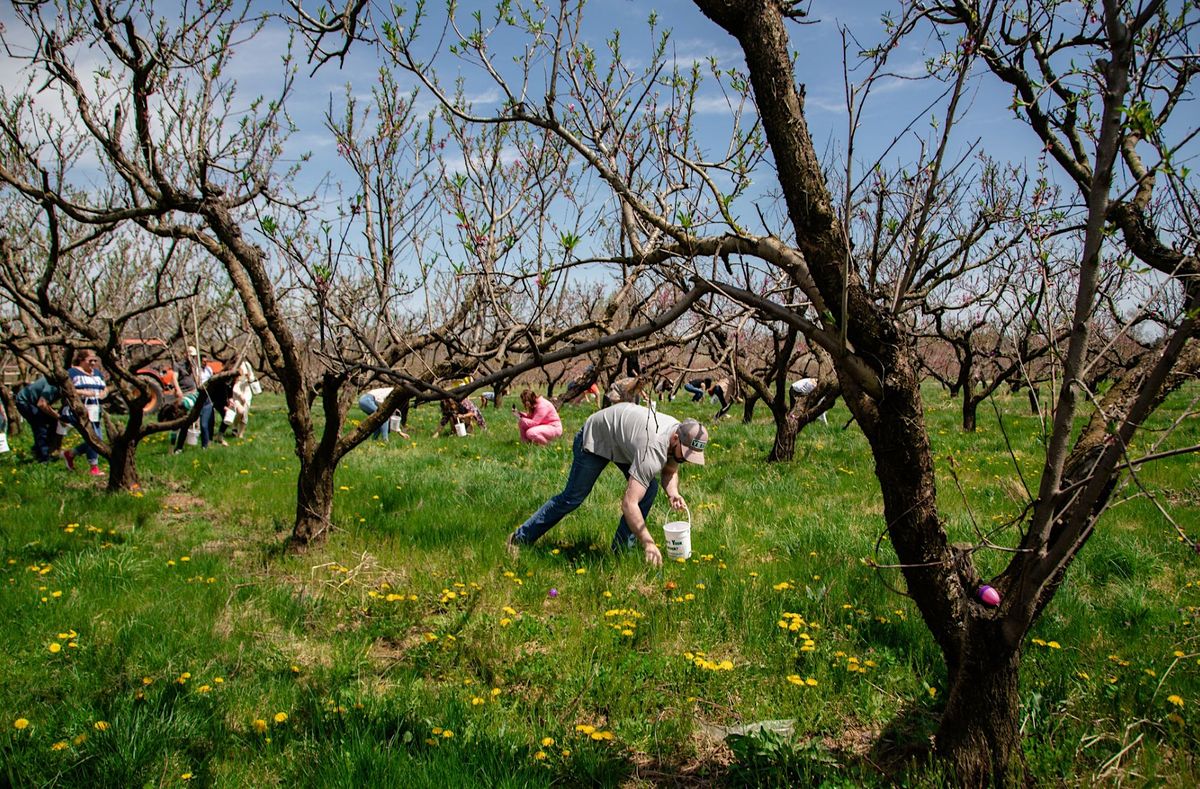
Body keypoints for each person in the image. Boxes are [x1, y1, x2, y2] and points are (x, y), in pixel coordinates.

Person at [507, 403, 709, 567]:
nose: (687, 459)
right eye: (686, 453)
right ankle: (520, 538)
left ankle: (620, 550)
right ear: (675, 439)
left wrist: (673, 493)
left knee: (650, 490)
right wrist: (648, 542)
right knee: (572, 498)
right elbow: (629, 503)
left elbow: (670, 469)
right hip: (598, 436)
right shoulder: (654, 447)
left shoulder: (677, 437)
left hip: (623, 442)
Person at [63, 349, 107, 476]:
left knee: (96, 438)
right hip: (81, 409)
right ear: (81, 360)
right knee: (94, 438)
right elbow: (68, 389)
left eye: (95, 360)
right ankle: (94, 467)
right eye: (90, 361)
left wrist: (104, 393)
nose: (93, 363)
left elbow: (104, 388)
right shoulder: (72, 373)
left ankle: (71, 454)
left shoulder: (97, 373)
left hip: (95, 409)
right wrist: (85, 393)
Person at [14, 376, 63, 463]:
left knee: (53, 422)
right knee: (40, 426)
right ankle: (44, 456)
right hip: (25, 402)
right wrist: (57, 416)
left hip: (34, 402)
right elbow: (41, 404)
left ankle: (38, 449)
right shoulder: (54, 384)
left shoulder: (63, 384)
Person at [218, 361, 256, 441]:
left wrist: (249, 377)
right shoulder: (234, 365)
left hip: (247, 392)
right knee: (240, 411)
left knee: (245, 413)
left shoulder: (247, 364)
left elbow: (252, 379)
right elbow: (233, 385)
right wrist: (239, 395)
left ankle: (241, 434)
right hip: (236, 392)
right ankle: (235, 426)